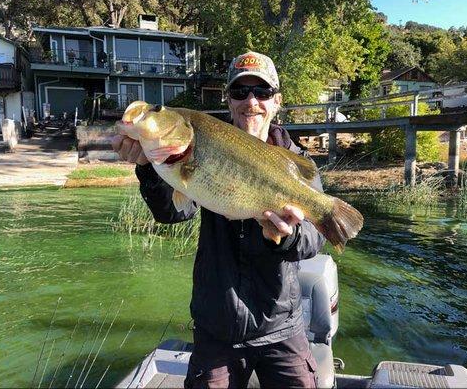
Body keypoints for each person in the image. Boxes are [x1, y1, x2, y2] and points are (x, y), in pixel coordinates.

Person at [111, 51, 325, 388]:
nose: (251, 101)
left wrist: (288, 235)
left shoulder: (295, 162)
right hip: (217, 329)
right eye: (240, 92)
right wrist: (148, 169)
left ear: (277, 101)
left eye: (262, 93)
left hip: (281, 326)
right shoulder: (206, 143)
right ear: (228, 100)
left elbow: (315, 240)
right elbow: (172, 212)